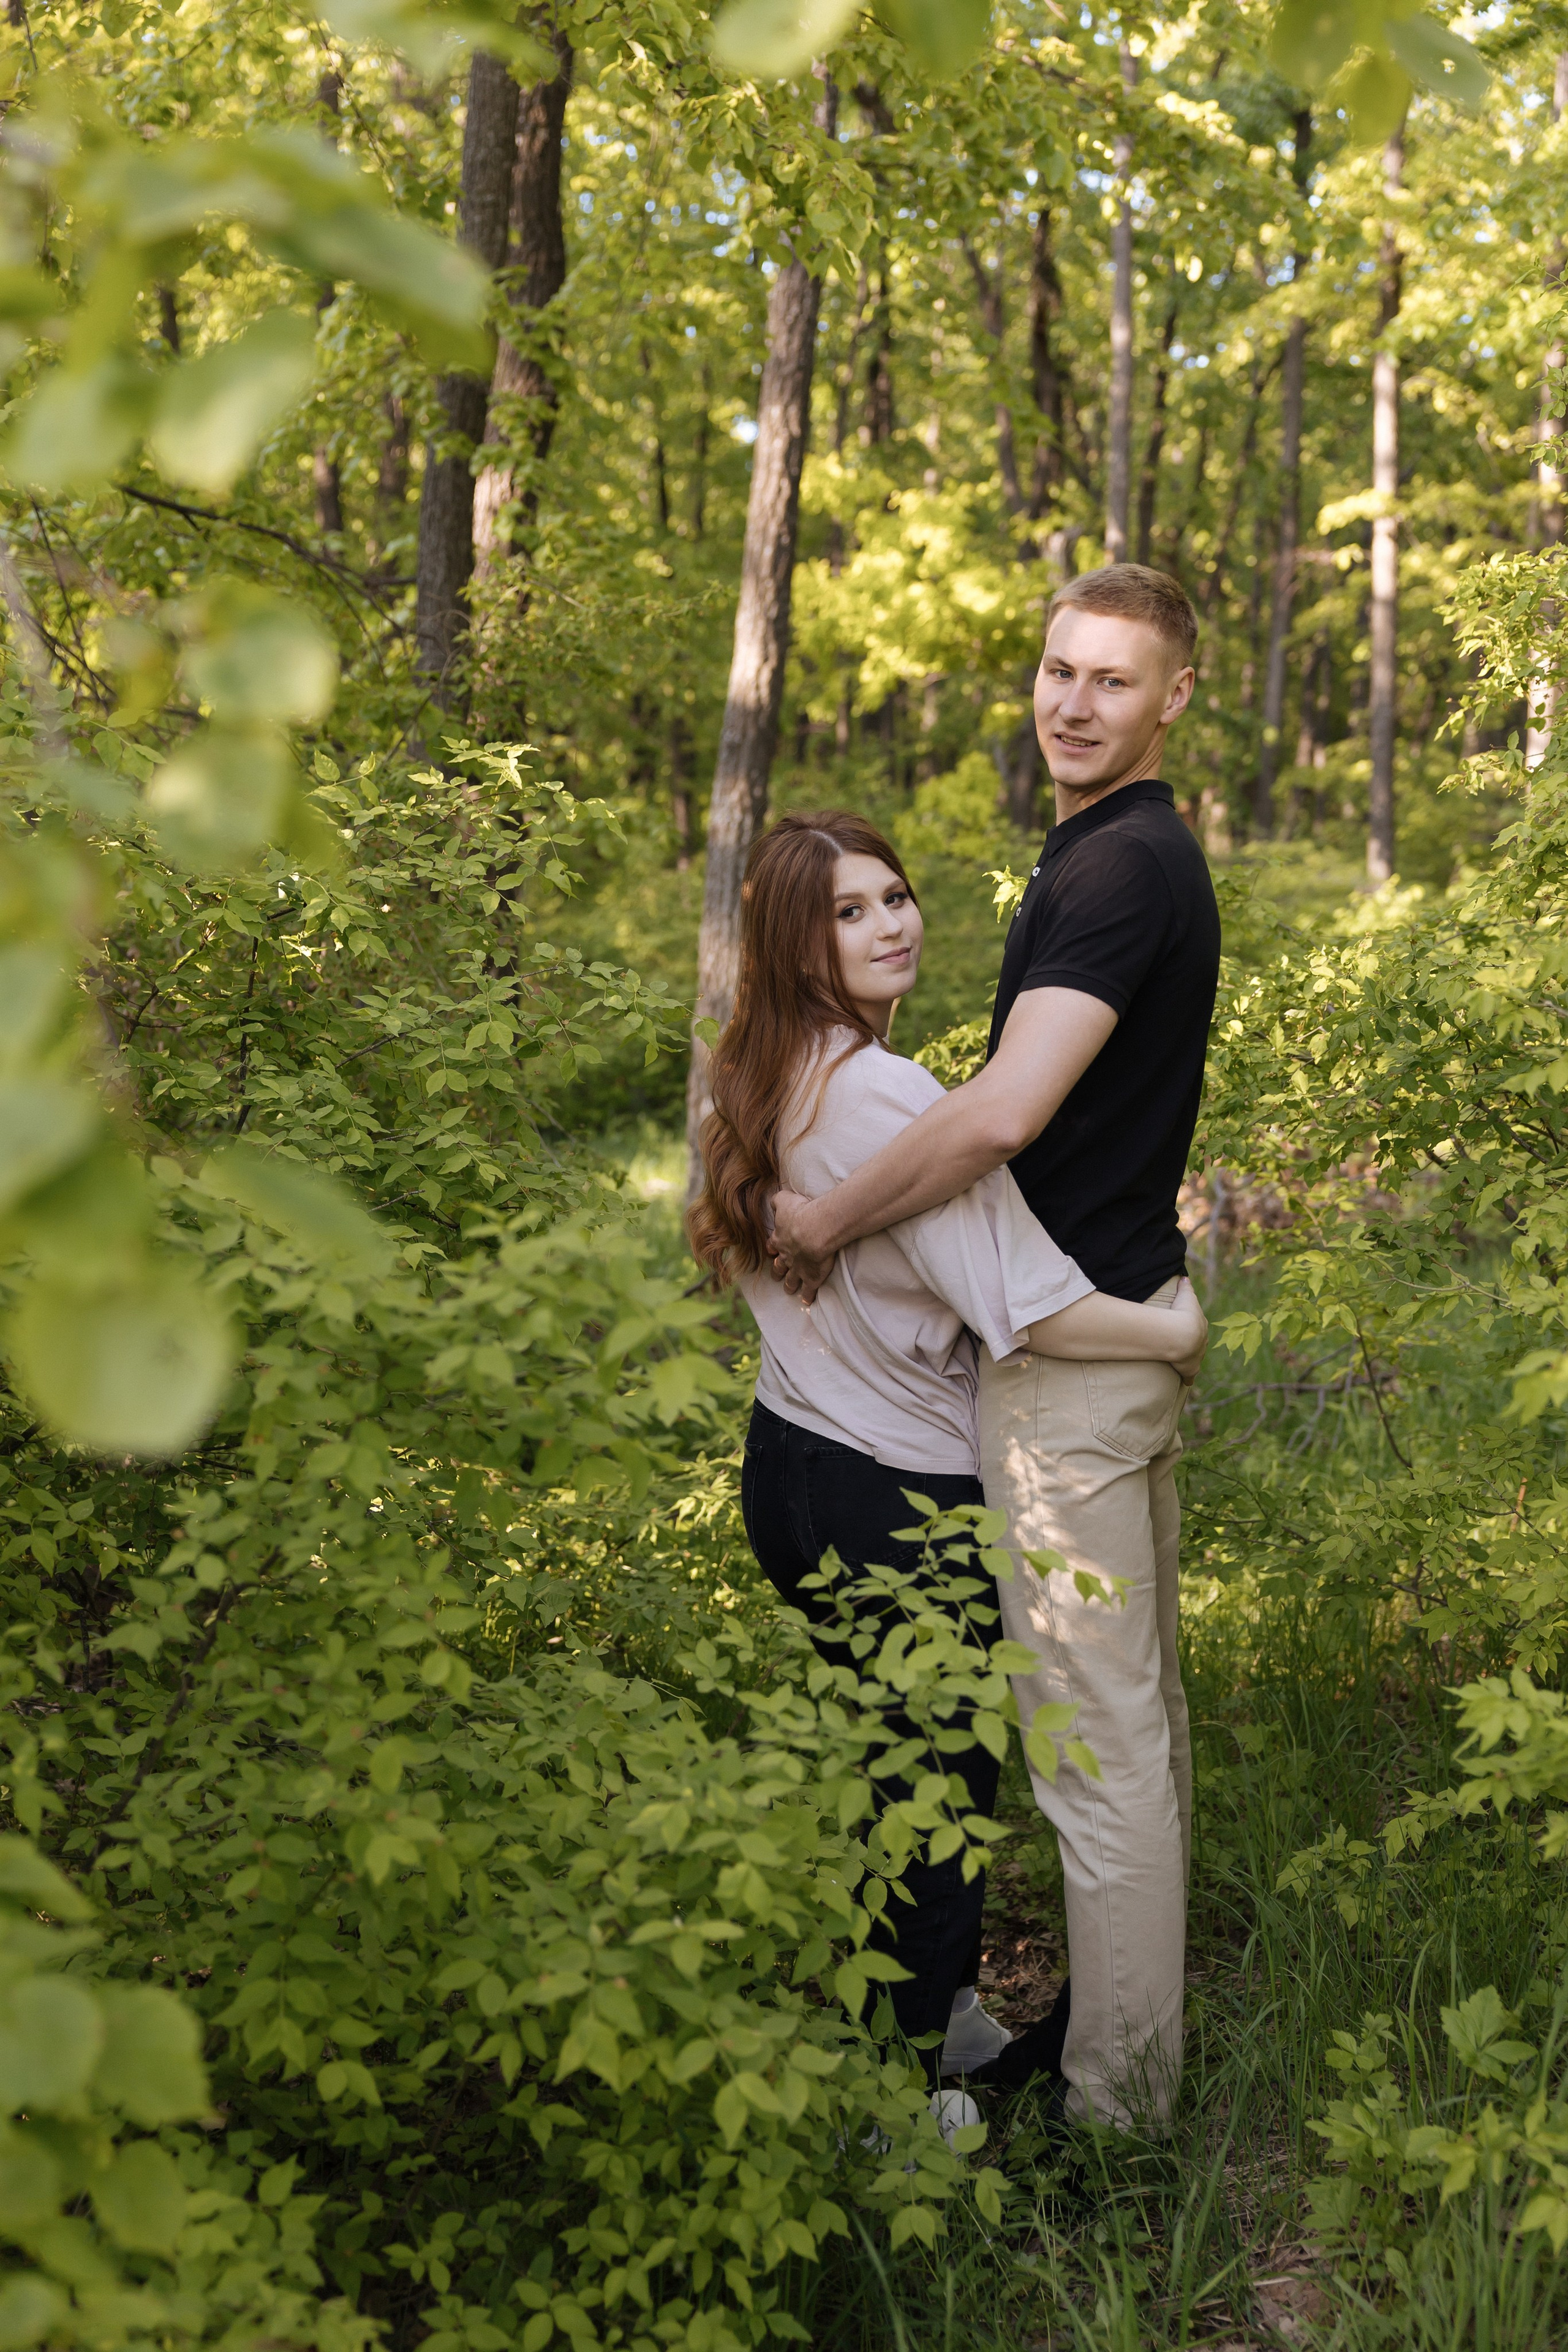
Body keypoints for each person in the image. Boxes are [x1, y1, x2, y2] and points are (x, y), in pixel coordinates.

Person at [768, 566, 1222, 2134]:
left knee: (1098, 1770)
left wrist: (821, 1224)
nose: (1071, 703)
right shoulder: (1104, 854)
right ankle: (1101, 2061)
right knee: (1126, 1744)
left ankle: (1114, 2115)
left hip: (1075, 1374)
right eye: (1055, 671)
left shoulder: (1117, 872)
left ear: (1172, 699)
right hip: (1101, 1344)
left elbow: (1004, 1116)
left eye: (1112, 681)